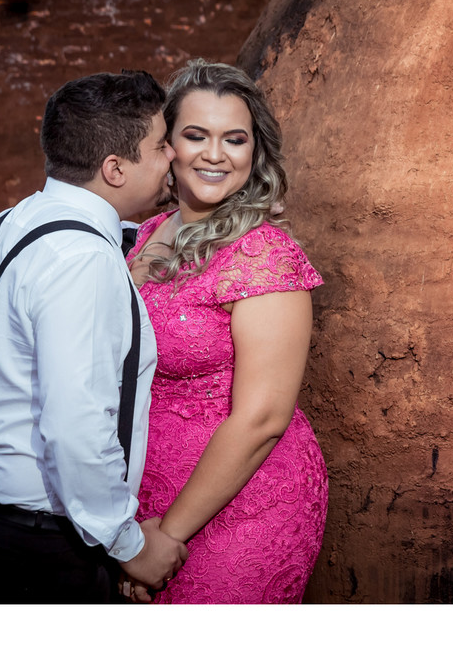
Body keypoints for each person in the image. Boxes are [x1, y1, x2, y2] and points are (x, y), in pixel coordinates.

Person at [0, 70, 189, 603]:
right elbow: (74, 425)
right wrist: (130, 545)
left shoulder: (8, 222)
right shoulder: (84, 260)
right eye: (161, 145)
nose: (174, 157)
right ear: (115, 168)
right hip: (39, 554)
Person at [124, 59, 328, 603]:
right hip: (142, 501)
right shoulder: (146, 235)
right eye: (196, 135)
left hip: (243, 501)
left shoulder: (265, 254)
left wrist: (166, 537)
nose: (215, 154)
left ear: (255, 152)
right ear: (167, 145)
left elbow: (263, 418)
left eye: (234, 139)